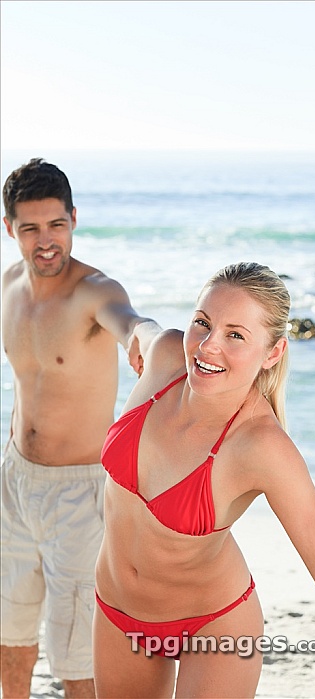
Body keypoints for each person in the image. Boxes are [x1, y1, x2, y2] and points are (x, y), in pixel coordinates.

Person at [93, 261, 315, 698]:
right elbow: (140, 327)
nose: (208, 346)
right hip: (116, 610)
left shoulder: (262, 447)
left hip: (214, 626)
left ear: (272, 352)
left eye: (235, 335)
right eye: (202, 323)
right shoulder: (167, 356)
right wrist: (135, 329)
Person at [1, 158, 161, 699]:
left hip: (79, 496)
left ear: (74, 219)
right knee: (9, 638)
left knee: (77, 661)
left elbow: (131, 321)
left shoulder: (94, 291)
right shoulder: (8, 286)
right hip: (14, 482)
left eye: (56, 225)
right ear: (9, 228)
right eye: (30, 228)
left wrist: (147, 338)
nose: (46, 241)